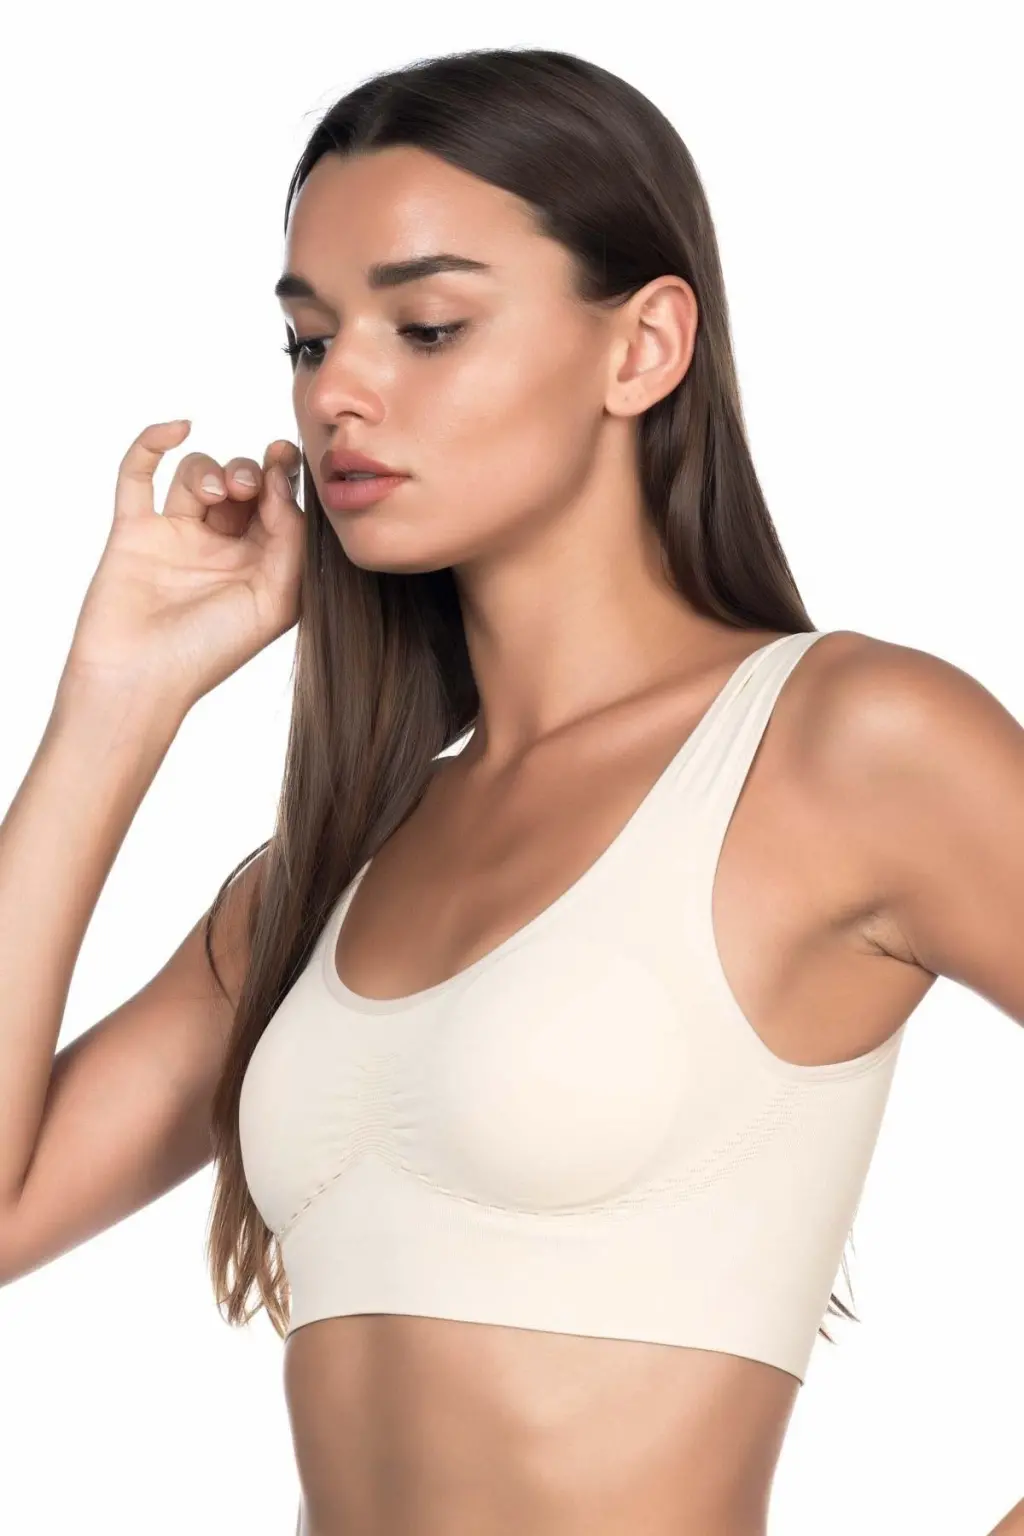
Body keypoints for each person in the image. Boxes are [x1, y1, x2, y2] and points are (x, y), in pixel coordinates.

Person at [1, 44, 1021, 1536]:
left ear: (643, 347)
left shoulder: (846, 745)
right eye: (308, 341)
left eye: (426, 326)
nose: (340, 391)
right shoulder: (323, 873)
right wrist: (115, 703)